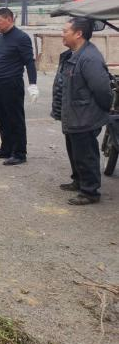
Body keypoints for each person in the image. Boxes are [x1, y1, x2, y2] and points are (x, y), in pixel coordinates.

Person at [53, 17, 112, 205]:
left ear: (78, 34)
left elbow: (102, 90)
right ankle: (78, 180)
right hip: (73, 115)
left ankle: (90, 192)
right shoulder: (73, 54)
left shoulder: (89, 58)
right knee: (75, 151)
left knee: (86, 154)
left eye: (65, 31)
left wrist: (101, 110)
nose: (62, 34)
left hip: (85, 116)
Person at [0, 7, 39, 165]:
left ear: (9, 19)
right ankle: (6, 149)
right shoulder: (0, 38)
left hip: (12, 84)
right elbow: (0, 59)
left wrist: (33, 84)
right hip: (0, 84)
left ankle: (19, 153)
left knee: (15, 119)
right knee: (1, 118)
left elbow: (29, 62)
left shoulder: (21, 38)